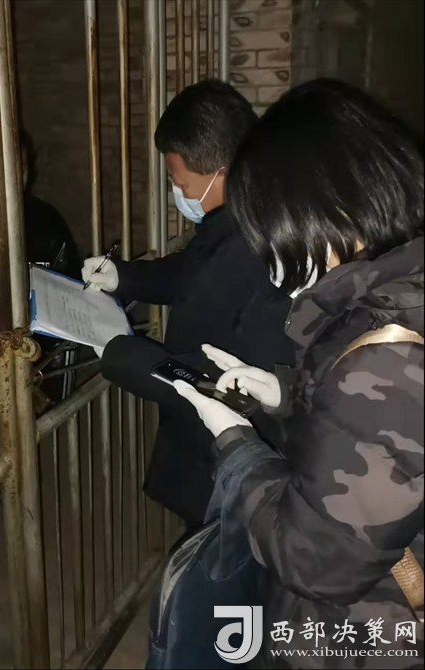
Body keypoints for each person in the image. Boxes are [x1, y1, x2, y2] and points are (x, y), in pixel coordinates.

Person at [175, 80, 424, 666]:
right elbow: (382, 442)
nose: (273, 261)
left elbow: (315, 558)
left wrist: (236, 448)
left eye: (273, 231)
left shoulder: (387, 356)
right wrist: (284, 394)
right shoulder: (397, 295)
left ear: (329, 209)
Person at [83, 80, 295, 528]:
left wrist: (116, 350)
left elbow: (218, 385)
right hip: (209, 451)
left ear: (221, 170)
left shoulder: (258, 247)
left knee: (220, 564)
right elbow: (192, 270)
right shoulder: (235, 219)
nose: (176, 190)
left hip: (227, 464)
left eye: (180, 182)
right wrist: (125, 276)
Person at [0, 127, 81, 402]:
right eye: (5, 169)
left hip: (38, 361)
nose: (17, 177)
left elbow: (70, 289)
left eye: (24, 167)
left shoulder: (45, 220)